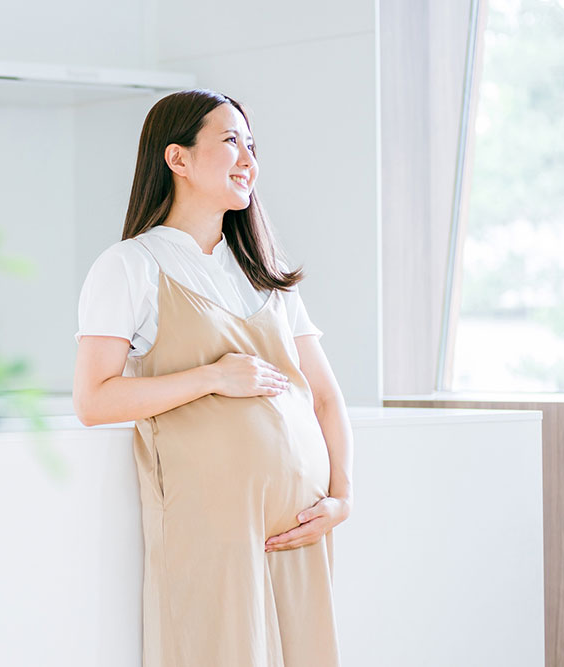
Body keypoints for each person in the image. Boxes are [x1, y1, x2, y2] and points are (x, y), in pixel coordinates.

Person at [72, 89, 355, 667]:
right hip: (211, 527)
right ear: (177, 158)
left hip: (300, 524)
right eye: (231, 141)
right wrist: (211, 378)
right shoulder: (129, 266)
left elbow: (325, 397)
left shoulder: (266, 273)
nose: (249, 159)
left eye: (252, 145)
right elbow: (94, 400)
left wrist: (342, 499)